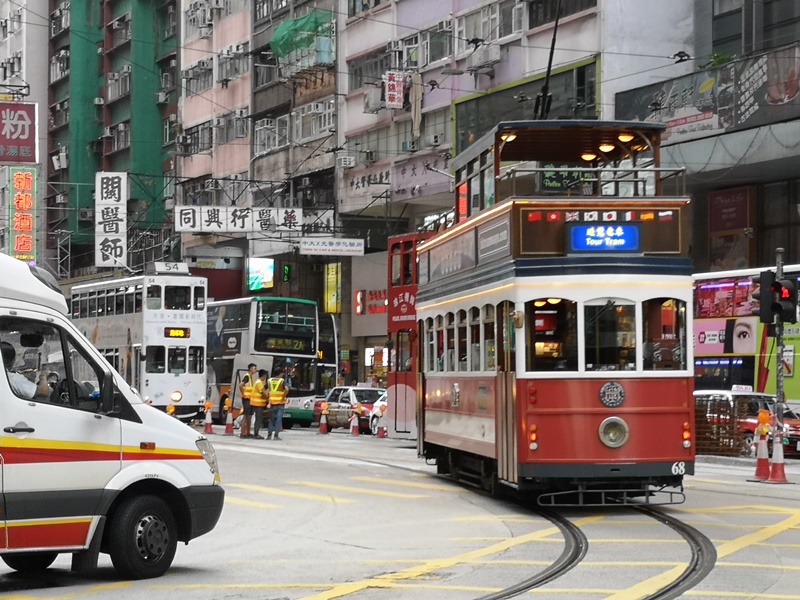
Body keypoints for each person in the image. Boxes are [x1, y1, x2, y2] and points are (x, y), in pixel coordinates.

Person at [266, 368, 289, 440]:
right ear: (280, 374)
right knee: (278, 419)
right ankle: (276, 435)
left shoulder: (269, 380)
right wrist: (283, 396)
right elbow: (287, 389)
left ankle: (269, 435)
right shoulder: (282, 381)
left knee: (271, 419)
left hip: (272, 403)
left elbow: (265, 389)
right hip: (280, 403)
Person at [239, 363, 258, 439]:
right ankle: (243, 433)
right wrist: (243, 394)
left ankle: (248, 433)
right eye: (254, 368)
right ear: (250, 369)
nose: (256, 369)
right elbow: (240, 385)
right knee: (246, 415)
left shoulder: (250, 377)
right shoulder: (247, 376)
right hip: (246, 399)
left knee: (249, 416)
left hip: (250, 399)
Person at [250, 369, 269, 439]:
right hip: (258, 404)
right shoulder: (259, 383)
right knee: (258, 419)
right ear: (264, 376)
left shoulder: (258, 382)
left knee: (258, 419)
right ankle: (256, 434)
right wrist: (267, 397)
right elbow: (263, 393)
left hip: (256, 403)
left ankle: (256, 433)